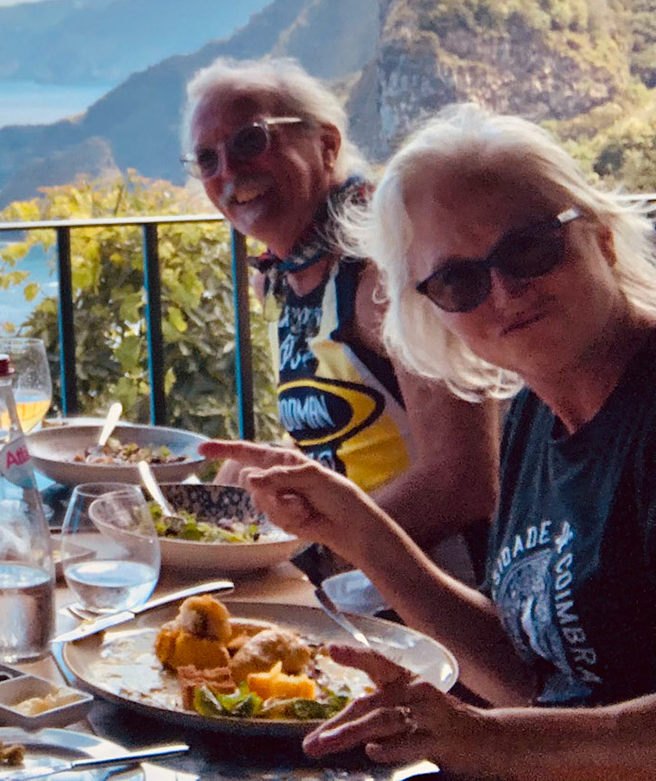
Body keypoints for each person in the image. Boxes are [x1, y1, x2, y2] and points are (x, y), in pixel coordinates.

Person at [207, 105, 656, 777]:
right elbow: (527, 676)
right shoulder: (535, 416)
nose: (504, 290)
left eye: (529, 248)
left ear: (601, 237)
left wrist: (491, 742)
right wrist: (357, 531)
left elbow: (515, 726)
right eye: (458, 281)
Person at [181, 59, 500, 577]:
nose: (229, 172)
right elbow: (351, 432)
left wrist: (308, 555)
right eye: (206, 159)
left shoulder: (387, 273)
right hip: (351, 577)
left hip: (436, 590)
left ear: (326, 144)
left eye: (250, 140)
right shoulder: (282, 279)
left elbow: (463, 482)